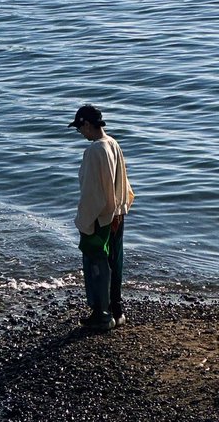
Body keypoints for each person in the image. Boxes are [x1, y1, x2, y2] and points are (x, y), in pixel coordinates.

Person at [67, 103, 134, 332]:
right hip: (118, 213)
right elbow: (122, 183)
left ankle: (102, 314)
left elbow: (93, 192)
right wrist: (120, 209)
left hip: (101, 216)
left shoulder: (95, 150)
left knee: (96, 261)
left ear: (87, 124)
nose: (80, 132)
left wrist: (84, 220)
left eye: (80, 128)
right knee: (115, 261)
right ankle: (117, 311)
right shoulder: (113, 143)